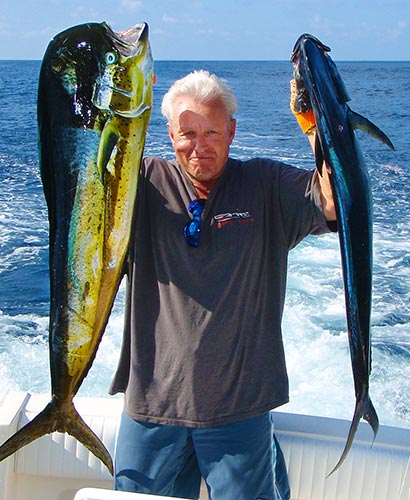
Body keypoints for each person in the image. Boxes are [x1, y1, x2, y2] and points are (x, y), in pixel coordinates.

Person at [109, 69, 336, 500]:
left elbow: (332, 200)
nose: (199, 147)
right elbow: (83, 184)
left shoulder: (265, 185)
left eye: (212, 131)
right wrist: (121, 100)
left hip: (239, 408)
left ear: (232, 130)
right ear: (169, 133)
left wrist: (313, 117)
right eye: (187, 132)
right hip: (153, 406)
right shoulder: (138, 185)